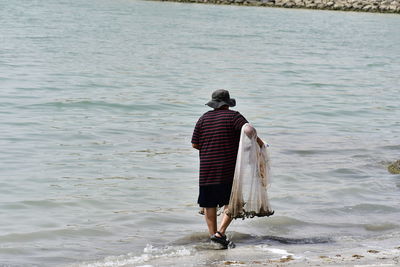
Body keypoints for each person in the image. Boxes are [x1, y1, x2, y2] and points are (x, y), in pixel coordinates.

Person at [191, 89, 264, 248]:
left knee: (209, 203)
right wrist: (259, 143)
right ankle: (220, 233)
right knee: (231, 201)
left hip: (206, 168)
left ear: (214, 103)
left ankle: (213, 236)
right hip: (227, 167)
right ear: (227, 104)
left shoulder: (203, 118)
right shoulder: (234, 116)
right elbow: (249, 130)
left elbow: (195, 144)